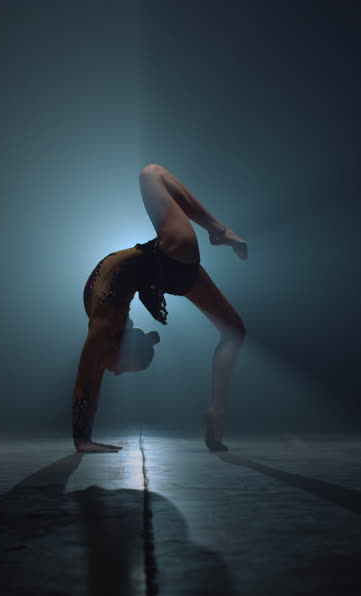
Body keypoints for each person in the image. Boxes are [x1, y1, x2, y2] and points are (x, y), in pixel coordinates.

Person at [73, 164, 247, 453]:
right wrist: (83, 439)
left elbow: (86, 380)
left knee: (235, 331)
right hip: (169, 262)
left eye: (123, 369)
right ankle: (218, 231)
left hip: (166, 261)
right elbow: (90, 379)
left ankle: (217, 411)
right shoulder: (108, 325)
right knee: (151, 174)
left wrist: (81, 438)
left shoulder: (105, 325)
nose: (116, 374)